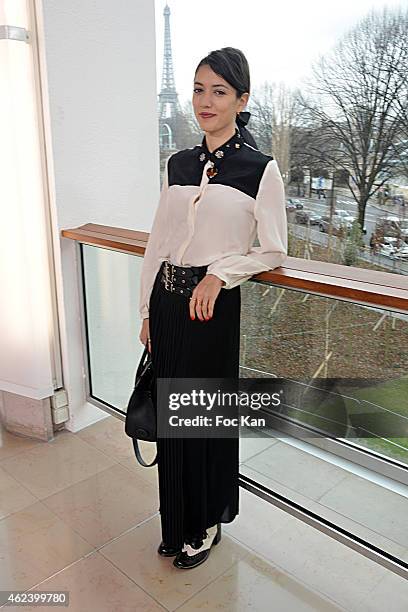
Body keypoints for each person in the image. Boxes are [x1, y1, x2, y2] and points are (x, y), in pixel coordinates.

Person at [138, 47, 288, 570]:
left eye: (219, 91)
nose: (205, 101)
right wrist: (145, 312)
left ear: (242, 100)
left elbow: (273, 249)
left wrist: (220, 273)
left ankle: (203, 526)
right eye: (199, 89)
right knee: (171, 420)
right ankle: (175, 520)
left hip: (210, 312)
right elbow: (158, 242)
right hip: (168, 302)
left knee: (200, 419)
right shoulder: (177, 162)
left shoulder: (260, 169)